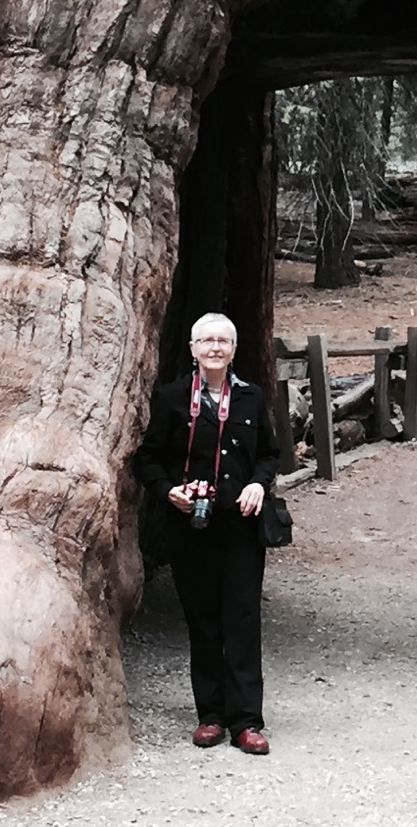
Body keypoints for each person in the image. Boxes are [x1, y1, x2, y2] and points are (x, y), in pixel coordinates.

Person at [133, 312, 279, 755]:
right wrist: (168, 491)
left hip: (241, 525)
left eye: (223, 341)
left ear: (233, 350)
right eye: (207, 341)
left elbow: (269, 454)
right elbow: (147, 459)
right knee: (203, 620)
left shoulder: (250, 397)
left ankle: (247, 721)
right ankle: (211, 715)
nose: (215, 347)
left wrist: (258, 484)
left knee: (242, 617)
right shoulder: (172, 397)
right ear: (193, 349)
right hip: (191, 525)